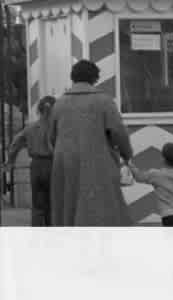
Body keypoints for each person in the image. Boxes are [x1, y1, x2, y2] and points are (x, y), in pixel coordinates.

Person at [49, 59, 135, 226]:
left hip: (65, 162)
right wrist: (127, 154)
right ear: (95, 79)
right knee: (101, 206)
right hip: (98, 160)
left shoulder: (59, 103)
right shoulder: (104, 101)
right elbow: (118, 132)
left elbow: (52, 136)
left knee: (68, 203)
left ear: (72, 78)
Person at [5, 96, 57, 226]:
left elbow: (16, 143)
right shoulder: (57, 128)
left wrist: (10, 161)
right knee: (52, 202)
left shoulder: (31, 128)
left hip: (36, 166)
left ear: (39, 110)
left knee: (37, 203)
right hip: (53, 165)